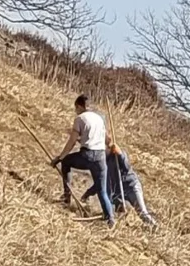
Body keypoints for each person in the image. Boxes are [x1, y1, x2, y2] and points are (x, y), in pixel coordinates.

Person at [51, 94, 115, 227]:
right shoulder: (99, 118)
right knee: (102, 190)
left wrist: (59, 157)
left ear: (79, 106)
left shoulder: (80, 119)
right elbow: (106, 140)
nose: (76, 111)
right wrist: (111, 145)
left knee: (66, 162)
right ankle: (110, 219)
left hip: (88, 155)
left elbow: (71, 142)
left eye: (76, 108)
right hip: (101, 157)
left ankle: (67, 197)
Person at [86, 142, 158, 227]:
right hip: (119, 193)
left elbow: (126, 167)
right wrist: (88, 193)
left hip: (131, 187)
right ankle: (119, 225)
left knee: (142, 213)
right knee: (112, 207)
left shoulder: (118, 155)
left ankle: (155, 227)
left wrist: (119, 153)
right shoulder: (103, 163)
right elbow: (101, 183)